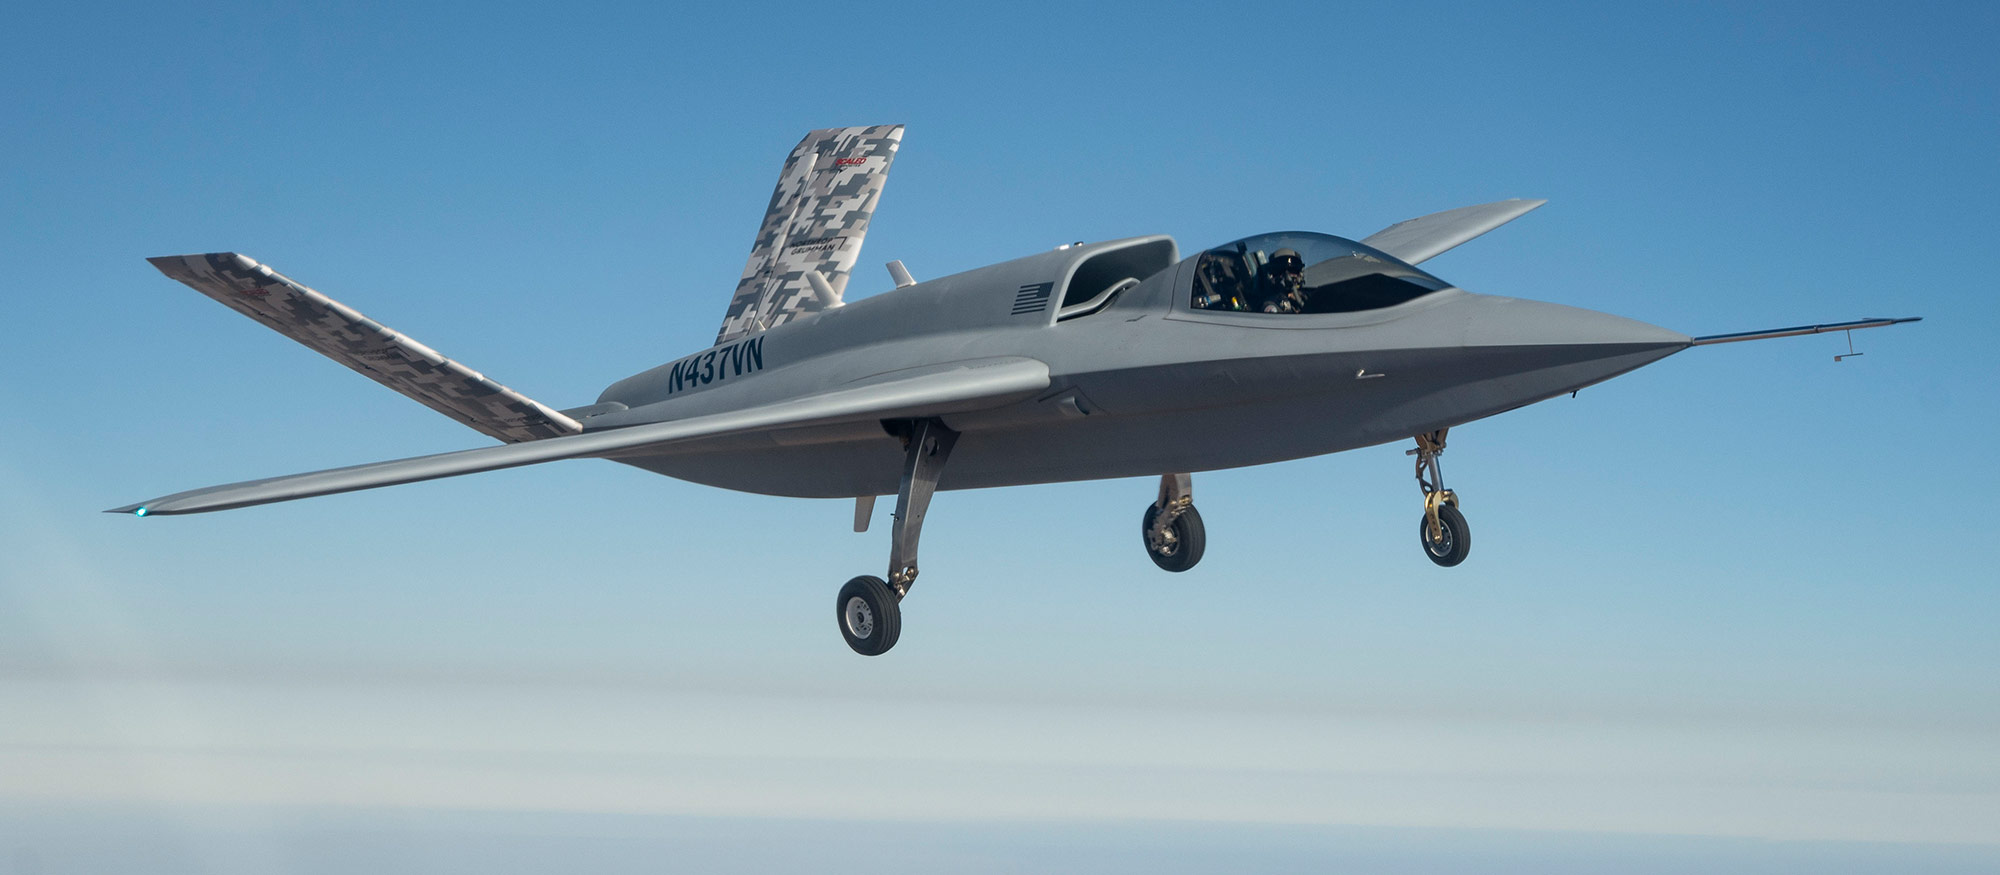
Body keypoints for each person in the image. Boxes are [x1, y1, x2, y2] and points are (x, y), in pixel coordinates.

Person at [1257, 248, 1307, 313]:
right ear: (1271, 276)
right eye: (1279, 271)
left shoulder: (1307, 297)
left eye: (1292, 270)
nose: (1288, 276)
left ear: (1300, 274)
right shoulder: (1270, 305)